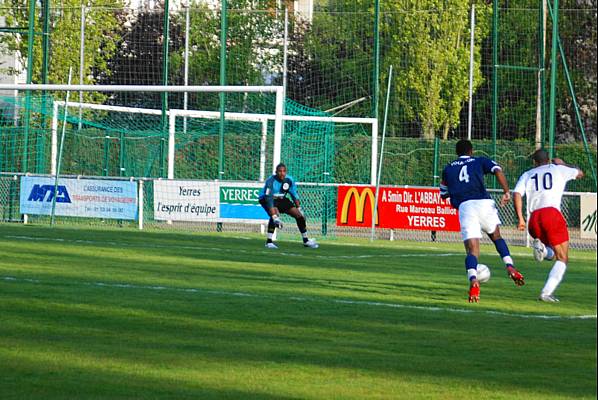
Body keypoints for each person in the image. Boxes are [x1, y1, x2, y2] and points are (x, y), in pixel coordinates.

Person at [440, 139, 525, 303]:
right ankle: (509, 266)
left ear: (457, 153)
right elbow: (497, 170)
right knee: (497, 237)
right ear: (471, 151)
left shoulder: (448, 169)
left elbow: (443, 194)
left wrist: (457, 190)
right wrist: (506, 191)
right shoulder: (480, 161)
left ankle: (473, 280)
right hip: (484, 203)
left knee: (472, 251)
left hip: (466, 206)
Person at [513, 150, 584, 302]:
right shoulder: (558, 169)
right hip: (551, 215)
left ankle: (544, 251)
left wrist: (520, 218)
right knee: (563, 258)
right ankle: (546, 293)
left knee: (553, 254)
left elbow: (517, 194)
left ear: (534, 162)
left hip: (534, 219)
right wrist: (563, 164)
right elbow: (580, 174)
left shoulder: (527, 174)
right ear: (549, 160)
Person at [258, 163, 319, 249]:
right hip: (266, 199)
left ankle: (306, 240)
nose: (282, 173)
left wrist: (300, 209)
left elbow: (294, 195)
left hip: (281, 198)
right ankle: (269, 242)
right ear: (276, 172)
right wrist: (275, 216)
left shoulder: (289, 180)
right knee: (275, 215)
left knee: (299, 215)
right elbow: (268, 199)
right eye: (280, 171)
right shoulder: (270, 181)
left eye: (284, 171)